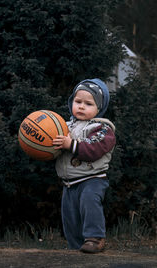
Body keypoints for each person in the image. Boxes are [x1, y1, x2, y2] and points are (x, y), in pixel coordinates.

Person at [53, 78, 116, 253]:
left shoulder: (102, 128)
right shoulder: (62, 126)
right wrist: (43, 145)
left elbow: (93, 149)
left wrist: (70, 144)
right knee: (70, 217)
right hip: (69, 182)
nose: (81, 106)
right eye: (77, 101)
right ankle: (75, 247)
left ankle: (95, 238)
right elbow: (53, 149)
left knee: (90, 203)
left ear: (99, 108)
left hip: (92, 179)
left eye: (88, 103)